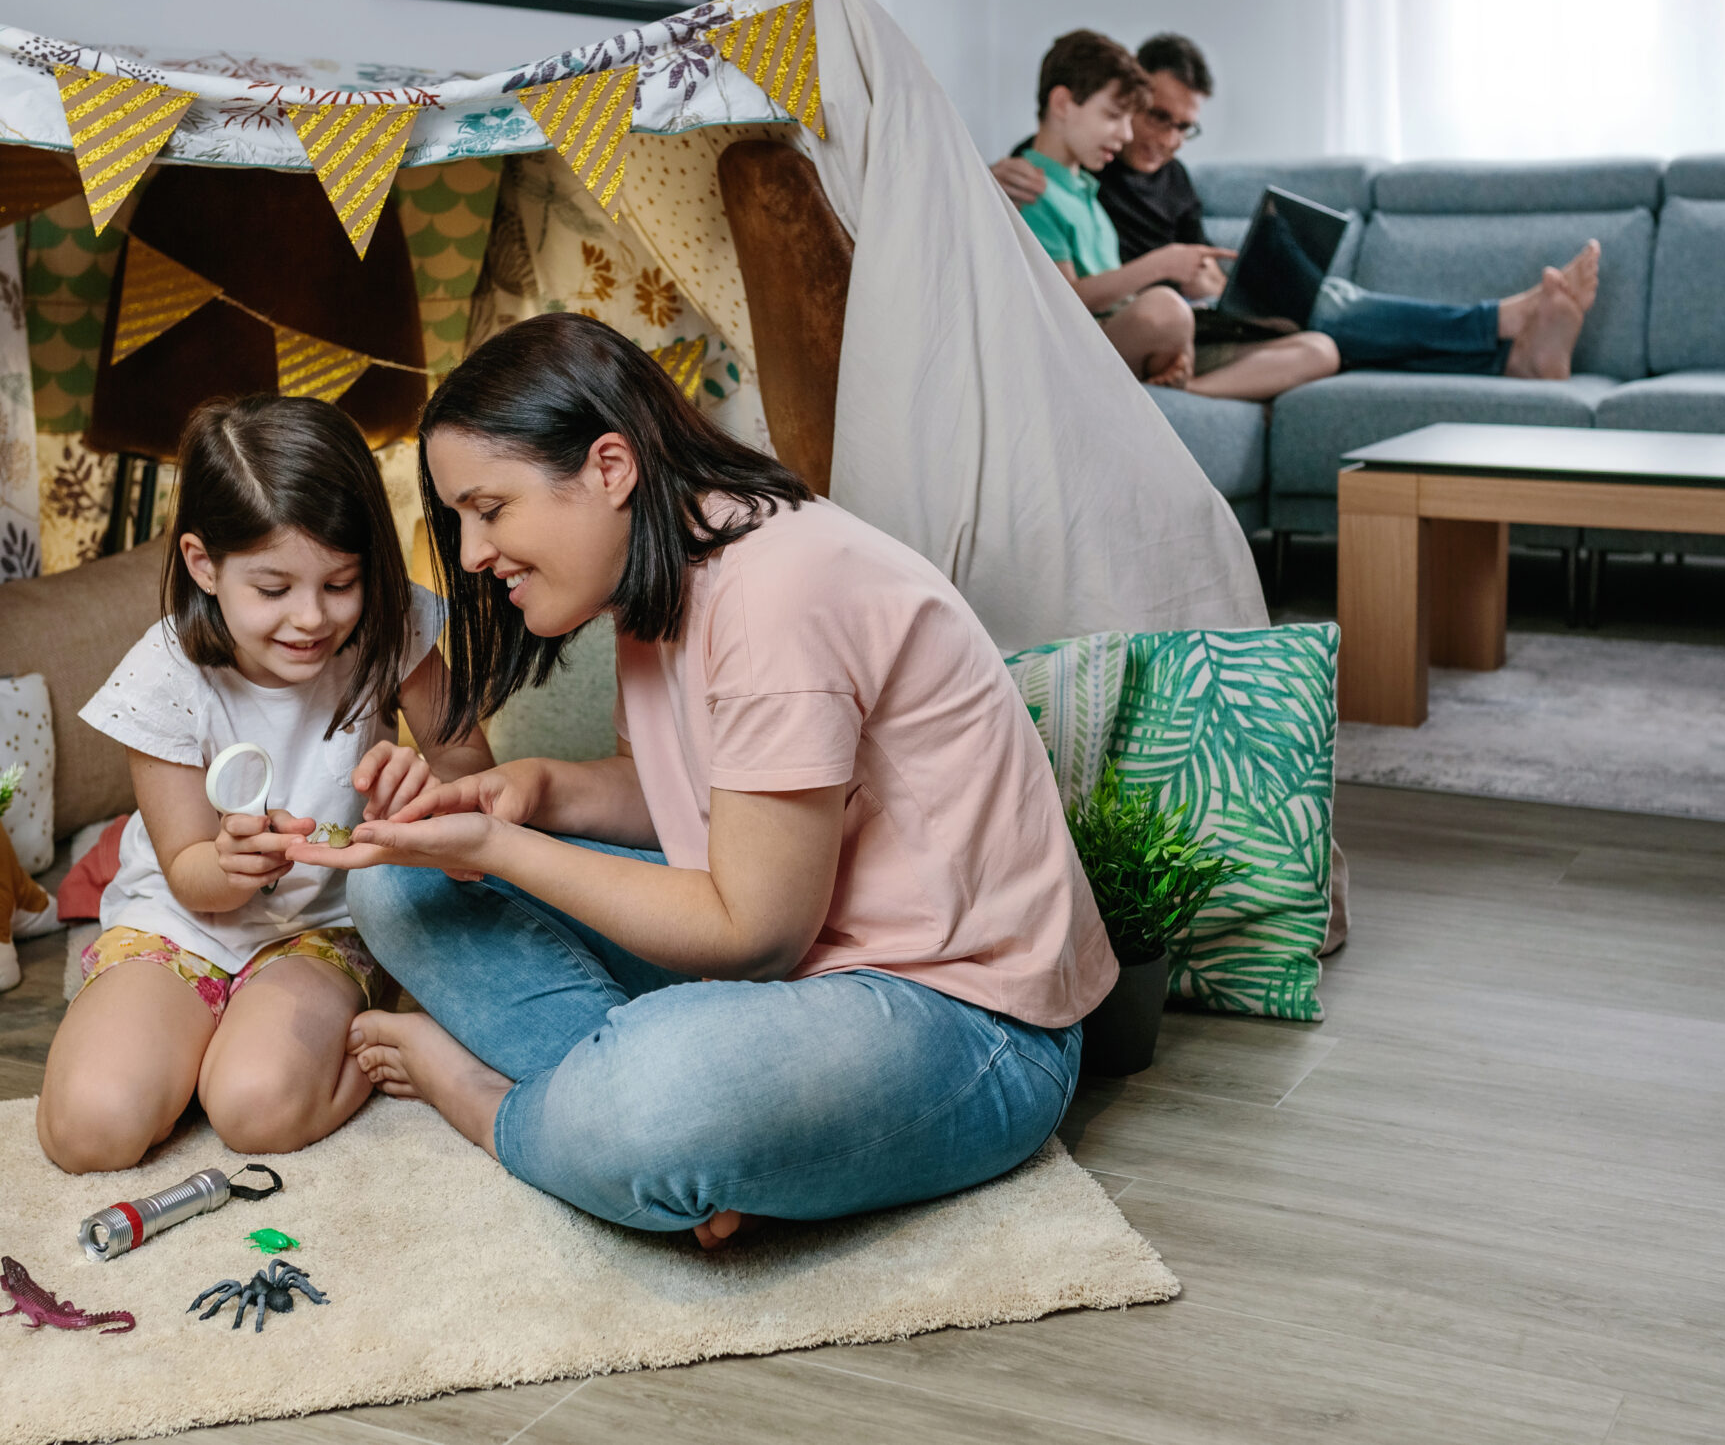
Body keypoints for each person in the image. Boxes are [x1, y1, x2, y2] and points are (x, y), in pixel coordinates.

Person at [289, 313, 1113, 1248]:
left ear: (609, 467)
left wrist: (503, 848)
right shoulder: (663, 571)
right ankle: (688, 1142)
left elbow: (753, 932)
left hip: (968, 1023)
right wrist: (528, 792)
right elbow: (686, 799)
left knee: (657, 1096)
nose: (473, 554)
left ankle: (507, 1110)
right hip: (799, 976)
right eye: (462, 520)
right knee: (399, 883)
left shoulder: (777, 591)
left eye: (490, 509)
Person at [36, 395, 494, 1173]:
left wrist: (422, 787)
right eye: (274, 590)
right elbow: (190, 872)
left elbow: (479, 788)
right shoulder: (164, 674)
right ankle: (189, 1045)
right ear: (203, 564)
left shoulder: (388, 632)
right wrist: (232, 863)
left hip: (321, 928)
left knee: (254, 1110)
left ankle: (383, 1033)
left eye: (341, 582)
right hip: (184, 919)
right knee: (92, 1130)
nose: (312, 619)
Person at [996, 32, 1601, 383]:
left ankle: (1511, 354)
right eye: (1150, 117)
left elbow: (1199, 261)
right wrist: (989, 175)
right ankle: (1500, 329)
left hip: (1199, 306)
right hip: (1148, 318)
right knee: (1329, 303)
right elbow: (1016, 201)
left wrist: (1207, 274)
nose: (1152, 138)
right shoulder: (1062, 174)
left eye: (1184, 127)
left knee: (1316, 309)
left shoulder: (1165, 177)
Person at [1015, 29, 1338, 400]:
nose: (1125, 134)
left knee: (1320, 345)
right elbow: (1064, 301)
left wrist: (1205, 288)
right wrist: (1160, 267)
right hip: (1106, 334)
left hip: (1174, 320)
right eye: (1117, 116)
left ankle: (1190, 386)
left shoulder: (1086, 187)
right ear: (1063, 104)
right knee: (1166, 308)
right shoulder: (1032, 185)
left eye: (1183, 127)